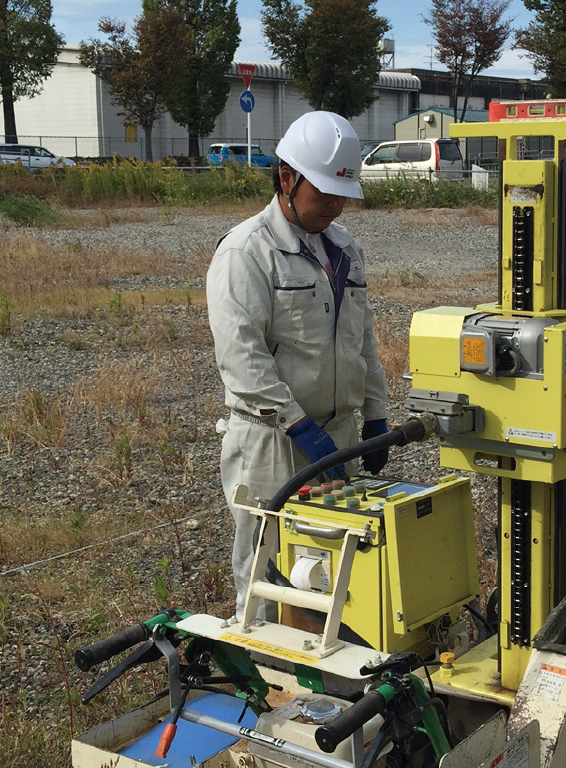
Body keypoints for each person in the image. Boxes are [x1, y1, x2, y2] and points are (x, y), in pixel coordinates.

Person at [206, 111, 390, 620]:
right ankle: (263, 665)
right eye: (325, 192)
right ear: (287, 178)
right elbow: (241, 356)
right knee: (268, 575)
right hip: (273, 443)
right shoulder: (246, 252)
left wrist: (375, 413)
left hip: (338, 437)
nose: (335, 205)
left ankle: (330, 667)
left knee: (334, 569)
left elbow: (362, 340)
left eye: (342, 195)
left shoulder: (344, 249)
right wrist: (298, 425)